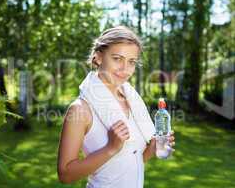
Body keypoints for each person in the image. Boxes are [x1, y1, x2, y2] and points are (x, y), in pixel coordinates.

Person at [57, 26, 175, 188]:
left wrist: (153, 148)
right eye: (117, 58)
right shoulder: (80, 110)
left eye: (131, 62)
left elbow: (131, 162)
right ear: (98, 57)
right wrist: (110, 148)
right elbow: (65, 174)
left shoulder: (133, 102)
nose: (125, 69)